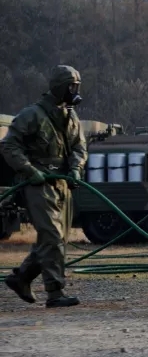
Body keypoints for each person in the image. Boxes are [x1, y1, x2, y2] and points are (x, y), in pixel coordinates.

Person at [1, 65, 87, 308]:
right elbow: (9, 146)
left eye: (77, 87)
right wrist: (29, 170)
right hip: (38, 183)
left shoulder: (70, 116)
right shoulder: (32, 115)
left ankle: (22, 278)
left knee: (56, 237)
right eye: (72, 86)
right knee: (52, 236)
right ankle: (55, 291)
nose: (75, 91)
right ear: (60, 87)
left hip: (63, 183)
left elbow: (80, 146)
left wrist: (76, 168)